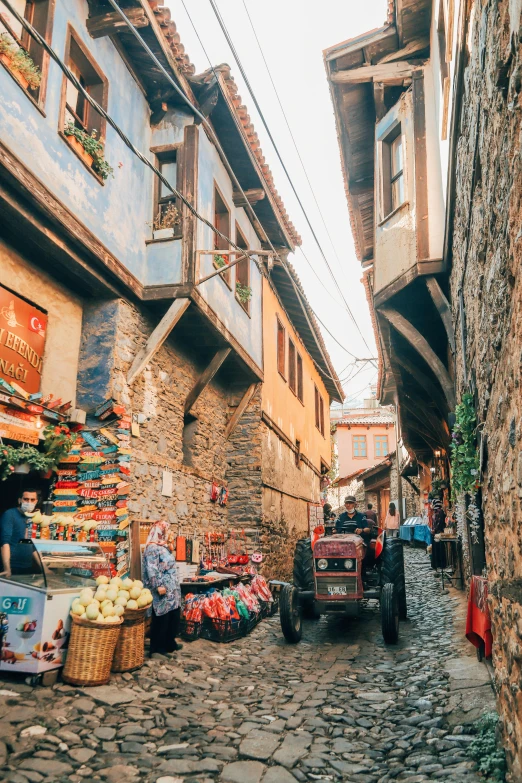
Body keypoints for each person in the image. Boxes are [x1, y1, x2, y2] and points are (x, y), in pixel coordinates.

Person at [142, 520, 183, 656]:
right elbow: (151, 568)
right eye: (164, 529)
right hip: (163, 589)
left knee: (173, 616)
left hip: (172, 589)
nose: (166, 532)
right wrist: (158, 585)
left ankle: (169, 643)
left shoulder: (163, 546)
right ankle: (158, 646)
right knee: (162, 617)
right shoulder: (152, 548)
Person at [0, 489, 40, 578]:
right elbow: (4, 543)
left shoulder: (33, 517)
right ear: (20, 500)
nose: (29, 502)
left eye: (32, 500)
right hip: (12, 567)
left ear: (36, 501)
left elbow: (33, 545)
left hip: (27, 567)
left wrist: (45, 568)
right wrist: (7, 568)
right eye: (26, 499)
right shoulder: (10, 514)